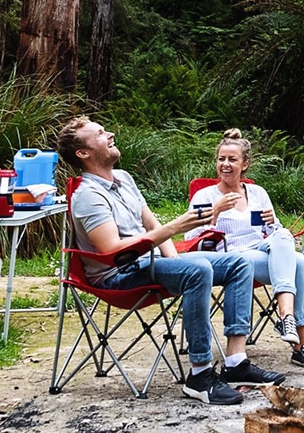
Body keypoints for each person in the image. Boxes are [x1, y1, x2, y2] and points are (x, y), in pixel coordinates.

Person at [56, 116, 287, 405]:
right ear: (83, 153)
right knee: (198, 269)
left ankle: (236, 363)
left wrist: (177, 261)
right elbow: (112, 252)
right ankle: (200, 375)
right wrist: (177, 229)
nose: (111, 134)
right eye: (101, 134)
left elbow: (151, 224)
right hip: (118, 274)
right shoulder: (87, 195)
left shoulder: (124, 179)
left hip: (150, 263)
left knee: (238, 263)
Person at [186, 129, 304, 368]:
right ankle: (299, 340)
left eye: (232, 159)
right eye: (221, 159)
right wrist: (215, 211)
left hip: (260, 251)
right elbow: (191, 239)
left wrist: (274, 223)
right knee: (298, 263)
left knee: (290, 246)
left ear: (245, 164)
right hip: (231, 259)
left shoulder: (258, 193)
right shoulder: (205, 195)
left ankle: (288, 319)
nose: (225, 164)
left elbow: (274, 237)